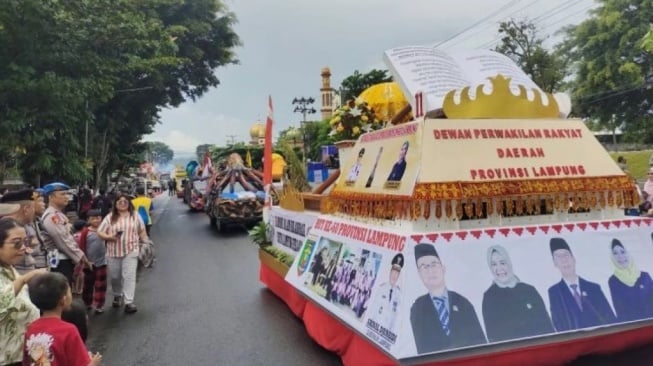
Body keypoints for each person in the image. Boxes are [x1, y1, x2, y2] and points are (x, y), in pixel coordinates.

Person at [410, 243, 486, 354]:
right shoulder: (417, 307)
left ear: (443, 268)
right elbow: (420, 349)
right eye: (424, 267)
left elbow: (480, 342)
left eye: (433, 264)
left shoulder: (463, 302)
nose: (430, 271)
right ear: (419, 274)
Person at [24, 272, 102, 366]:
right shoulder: (69, 330)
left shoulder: (31, 329)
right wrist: (94, 363)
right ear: (63, 300)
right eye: (69, 291)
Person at [481, 245, 554, 343]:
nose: (499, 268)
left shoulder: (529, 290)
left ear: (509, 263)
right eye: (494, 264)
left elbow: (547, 327)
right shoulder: (489, 297)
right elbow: (494, 337)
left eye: (502, 263)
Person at [0, 218, 45, 366]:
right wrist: (24, 279)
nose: (23, 248)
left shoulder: (9, 268)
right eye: (16, 243)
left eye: (25, 242)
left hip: (24, 353)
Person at [548, 237, 616, 332]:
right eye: (558, 257)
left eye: (566, 255)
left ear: (573, 258)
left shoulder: (594, 288)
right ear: (555, 263)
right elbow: (558, 322)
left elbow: (610, 317)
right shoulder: (555, 292)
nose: (564, 260)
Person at [97, 194, 149, 314]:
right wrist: (109, 237)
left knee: (129, 276)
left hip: (131, 250)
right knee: (115, 276)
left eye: (125, 201)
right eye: (119, 201)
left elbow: (142, 230)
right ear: (115, 204)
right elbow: (100, 232)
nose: (122, 203)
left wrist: (146, 242)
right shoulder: (110, 217)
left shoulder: (135, 216)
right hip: (113, 252)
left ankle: (129, 302)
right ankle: (117, 295)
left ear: (129, 203)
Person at [40, 182, 91, 285]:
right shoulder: (52, 216)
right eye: (62, 194)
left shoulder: (58, 214)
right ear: (51, 197)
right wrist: (80, 256)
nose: (67, 197)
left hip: (64, 259)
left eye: (67, 194)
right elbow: (62, 241)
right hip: (59, 261)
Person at [607, 239, 653, 322]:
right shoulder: (613, 281)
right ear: (612, 257)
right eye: (615, 253)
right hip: (634, 326)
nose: (620, 256)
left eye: (623, 252)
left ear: (628, 253)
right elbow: (620, 310)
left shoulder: (645, 276)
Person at [0, 189, 44, 274]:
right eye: (33, 208)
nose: (34, 211)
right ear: (26, 209)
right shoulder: (4, 228)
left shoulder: (25, 226)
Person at [366, 253, 404, 338]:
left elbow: (397, 319)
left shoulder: (399, 295)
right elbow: (373, 311)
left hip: (387, 336)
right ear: (390, 272)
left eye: (397, 273)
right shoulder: (381, 289)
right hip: (374, 332)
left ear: (399, 275)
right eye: (393, 272)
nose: (394, 275)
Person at [80, 209, 108, 314]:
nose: (96, 220)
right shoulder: (86, 232)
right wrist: (86, 261)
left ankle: (99, 305)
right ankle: (87, 303)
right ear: (88, 220)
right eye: (93, 219)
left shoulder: (104, 230)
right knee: (88, 285)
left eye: (98, 218)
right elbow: (82, 247)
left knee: (101, 285)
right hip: (89, 263)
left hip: (102, 262)